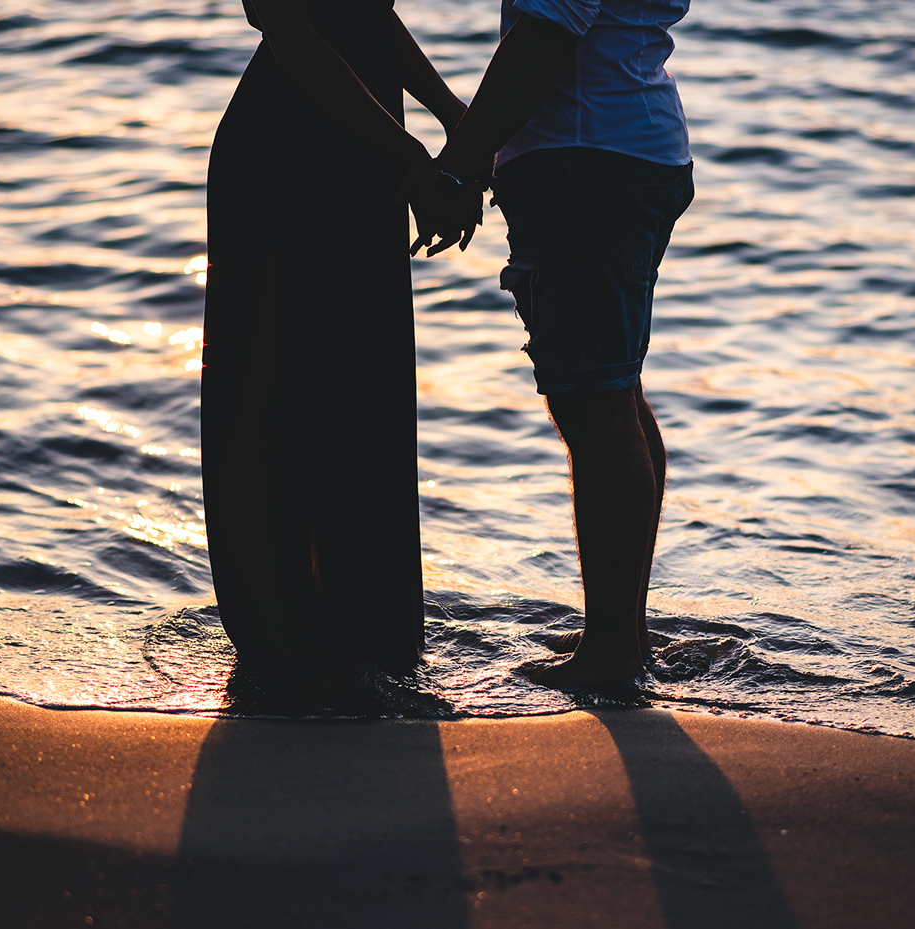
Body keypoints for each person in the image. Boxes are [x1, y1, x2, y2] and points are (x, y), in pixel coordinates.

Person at [410, 0, 694, 688]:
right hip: (621, 146)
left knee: (596, 407)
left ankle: (615, 657)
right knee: (614, 396)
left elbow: (545, 35)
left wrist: (460, 164)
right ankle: (622, 633)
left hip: (588, 161)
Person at [202, 0, 471, 670]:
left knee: (359, 388)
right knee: (274, 389)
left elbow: (365, 12)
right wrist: (411, 154)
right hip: (286, 153)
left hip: (364, 142)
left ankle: (367, 631)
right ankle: (280, 632)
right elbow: (289, 30)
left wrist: (449, 113)